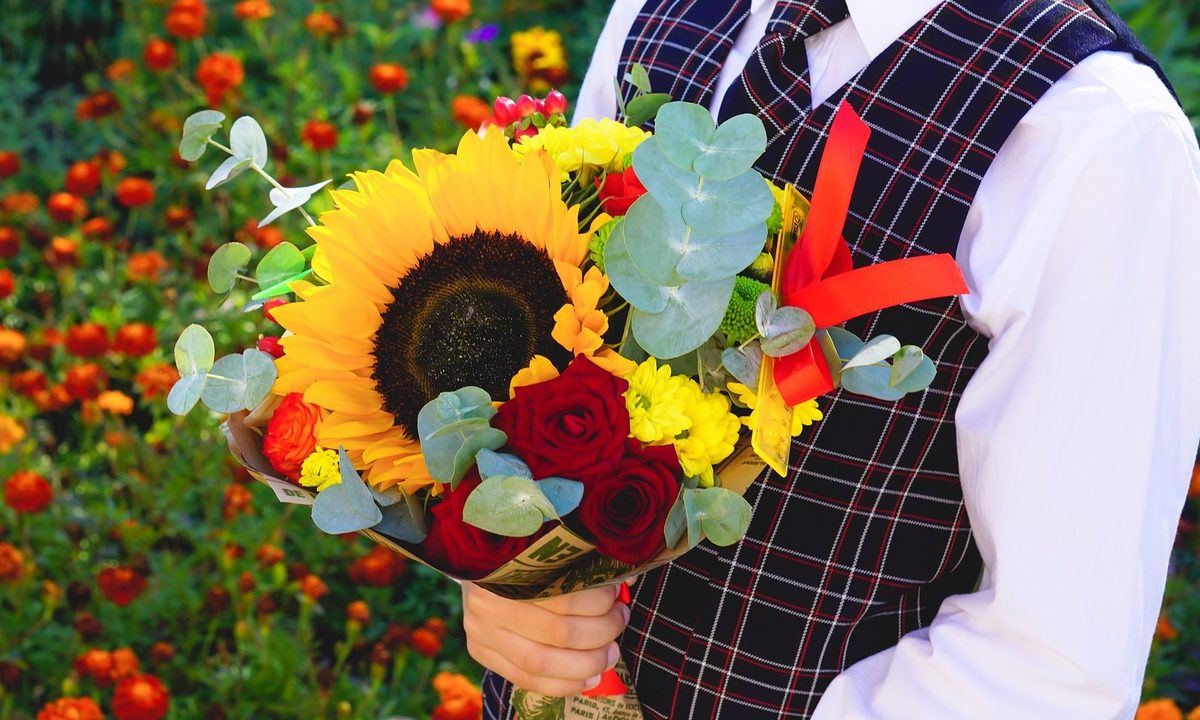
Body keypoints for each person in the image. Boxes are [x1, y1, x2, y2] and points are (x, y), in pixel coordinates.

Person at [464, 1, 1200, 717]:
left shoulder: (1096, 133)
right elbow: (550, 348)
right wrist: (506, 581)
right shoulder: (652, 12)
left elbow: (1051, 669)